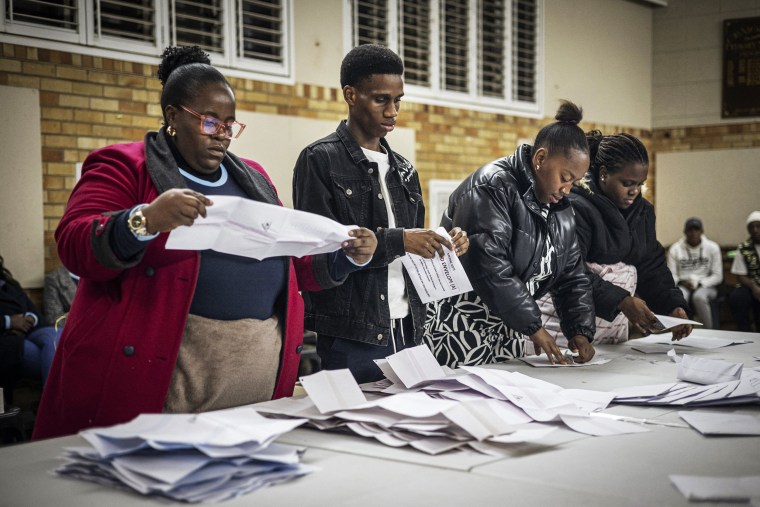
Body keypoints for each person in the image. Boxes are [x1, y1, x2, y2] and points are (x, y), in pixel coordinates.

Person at [33, 45, 377, 440]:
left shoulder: (255, 178)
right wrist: (144, 220)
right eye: (210, 122)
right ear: (173, 117)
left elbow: (291, 263)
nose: (223, 136)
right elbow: (75, 242)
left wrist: (346, 256)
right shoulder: (125, 166)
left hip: (254, 381)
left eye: (230, 125)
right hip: (165, 373)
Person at [292, 44, 469, 383]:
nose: (392, 111)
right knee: (349, 433)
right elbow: (319, 260)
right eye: (381, 99)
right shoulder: (319, 160)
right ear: (351, 95)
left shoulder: (404, 169)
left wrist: (443, 244)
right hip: (352, 336)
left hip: (408, 329)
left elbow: (412, 254)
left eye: (398, 100)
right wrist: (402, 241)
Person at [424, 100, 596, 368]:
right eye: (565, 177)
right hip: (464, 324)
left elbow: (572, 274)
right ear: (540, 159)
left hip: (512, 326)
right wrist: (534, 326)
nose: (567, 189)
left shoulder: (560, 209)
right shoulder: (492, 187)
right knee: (463, 402)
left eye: (575, 181)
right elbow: (490, 266)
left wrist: (580, 330)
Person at [557, 130, 691, 341]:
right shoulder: (574, 207)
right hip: (566, 320)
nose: (634, 191)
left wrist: (672, 305)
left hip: (612, 325)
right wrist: (621, 301)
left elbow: (650, 265)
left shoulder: (643, 212)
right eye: (627, 183)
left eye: (640, 184)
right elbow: (569, 269)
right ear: (603, 174)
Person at [0, 255, 58, 394]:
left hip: (29, 331)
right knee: (52, 358)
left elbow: (34, 311)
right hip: (7, 338)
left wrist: (31, 318)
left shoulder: (9, 283)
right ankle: (52, 404)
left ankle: (52, 405)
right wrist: (9, 322)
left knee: (55, 335)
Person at [667, 217, 723, 328]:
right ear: (685, 232)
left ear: (702, 231)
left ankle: (710, 331)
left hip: (706, 285)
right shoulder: (675, 249)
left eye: (696, 230)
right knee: (679, 297)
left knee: (699, 297)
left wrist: (700, 283)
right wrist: (683, 283)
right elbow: (671, 275)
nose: (693, 233)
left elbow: (718, 276)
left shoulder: (712, 247)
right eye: (690, 230)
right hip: (683, 284)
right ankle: (681, 330)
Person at [729, 211, 760, 332]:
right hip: (751, 285)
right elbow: (740, 275)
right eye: (752, 227)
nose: (755, 230)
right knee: (737, 297)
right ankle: (744, 331)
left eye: (758, 226)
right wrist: (754, 287)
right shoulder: (743, 247)